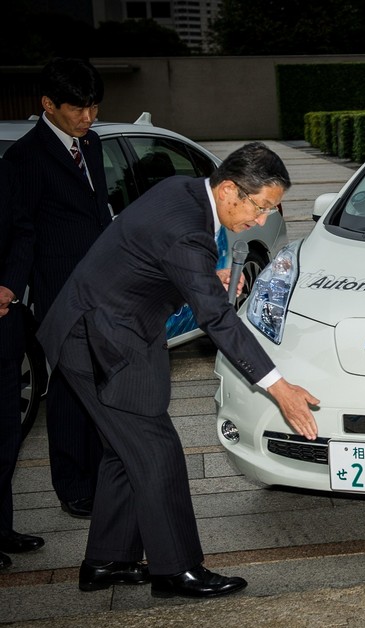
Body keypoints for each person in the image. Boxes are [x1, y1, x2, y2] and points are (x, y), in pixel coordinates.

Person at [36, 142, 320, 598]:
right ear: (230, 189)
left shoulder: (183, 190)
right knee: (157, 451)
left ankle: (108, 561)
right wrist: (279, 388)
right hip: (98, 340)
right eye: (261, 207)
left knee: (125, 451)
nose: (263, 220)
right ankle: (177, 570)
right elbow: (217, 319)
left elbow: (156, 258)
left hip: (109, 326)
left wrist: (205, 278)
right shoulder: (187, 230)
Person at [4, 57, 111, 519]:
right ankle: (72, 485)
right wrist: (11, 287)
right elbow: (22, 230)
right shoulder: (24, 158)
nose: (87, 118)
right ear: (47, 104)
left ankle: (103, 473)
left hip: (104, 288)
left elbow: (99, 212)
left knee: (103, 383)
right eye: (77, 109)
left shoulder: (91, 145)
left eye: (92, 107)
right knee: (68, 387)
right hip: (58, 292)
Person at [0, 158, 46, 569]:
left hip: (3, 322)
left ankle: (2, 528)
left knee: (7, 435)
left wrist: (9, 285)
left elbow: (23, 232)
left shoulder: (3, 171)